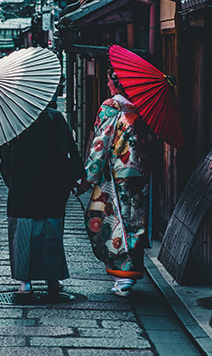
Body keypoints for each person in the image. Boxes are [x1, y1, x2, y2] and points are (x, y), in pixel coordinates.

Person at [0, 102, 86, 295]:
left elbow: (5, 157)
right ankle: (52, 280)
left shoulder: (12, 121)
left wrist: (12, 182)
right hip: (52, 186)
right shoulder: (54, 118)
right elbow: (68, 151)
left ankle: (25, 282)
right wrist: (74, 179)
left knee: (22, 235)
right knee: (51, 234)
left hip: (22, 188)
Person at [80, 67, 151, 297]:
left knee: (108, 219)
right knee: (134, 222)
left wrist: (90, 173)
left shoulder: (112, 106)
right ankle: (127, 275)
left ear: (117, 83)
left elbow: (101, 141)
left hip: (116, 174)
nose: (108, 84)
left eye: (111, 80)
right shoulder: (140, 108)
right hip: (139, 173)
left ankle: (121, 277)